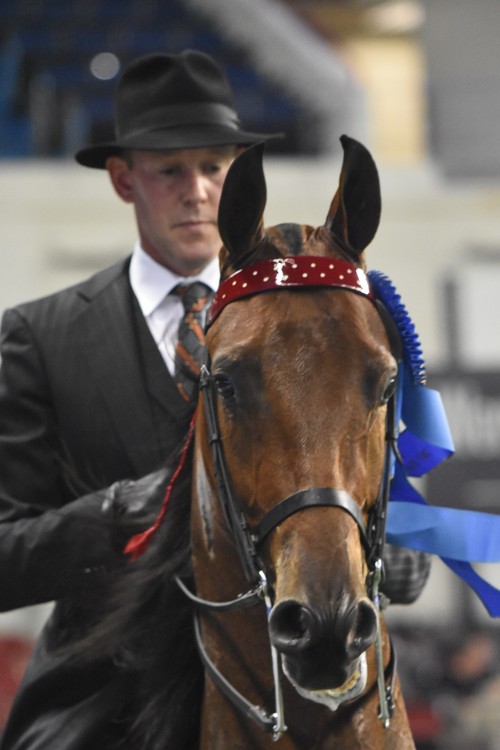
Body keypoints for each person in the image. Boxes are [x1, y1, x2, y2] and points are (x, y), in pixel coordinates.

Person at [0, 49, 430, 749]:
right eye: (170, 170)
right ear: (122, 180)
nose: (196, 191)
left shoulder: (314, 327)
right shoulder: (37, 337)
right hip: (111, 690)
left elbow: (354, 468)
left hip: (310, 671)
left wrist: (398, 550)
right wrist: (110, 518)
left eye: (212, 168)